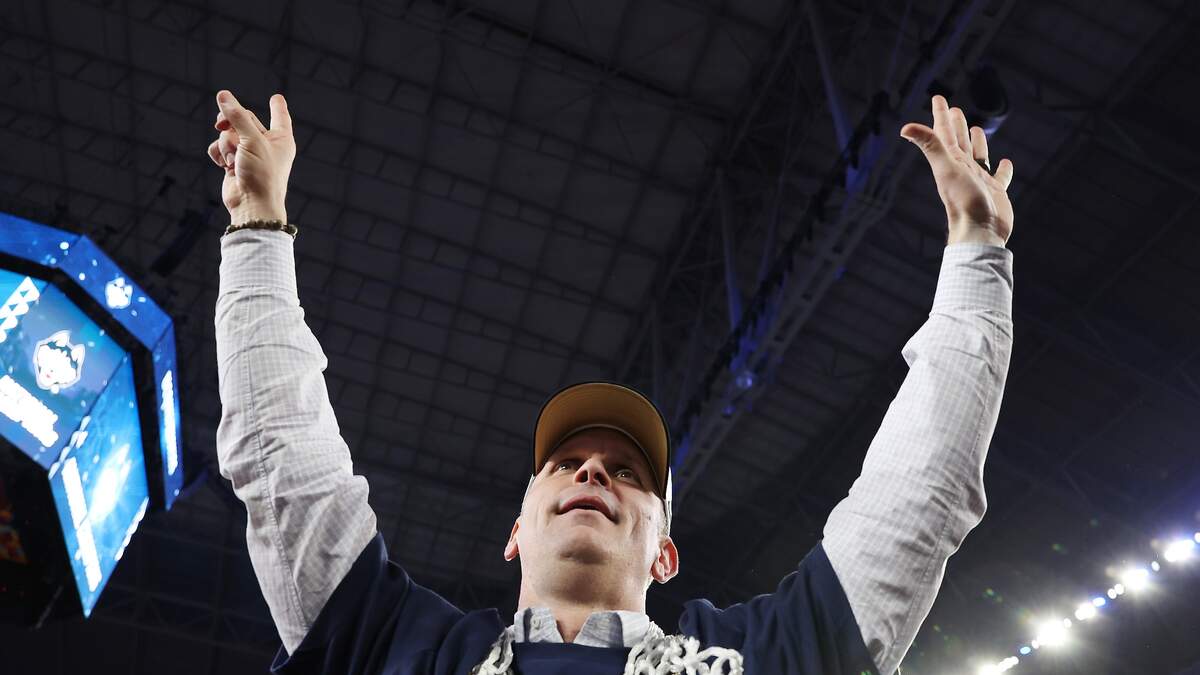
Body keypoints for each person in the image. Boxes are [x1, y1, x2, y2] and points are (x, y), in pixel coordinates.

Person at [209, 88, 1015, 674]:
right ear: (515, 532)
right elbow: (284, 469)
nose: (593, 470)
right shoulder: (400, 646)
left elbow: (920, 495)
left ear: (664, 554)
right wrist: (257, 228)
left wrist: (978, 255)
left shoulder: (764, 658)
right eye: (565, 463)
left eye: (629, 472)